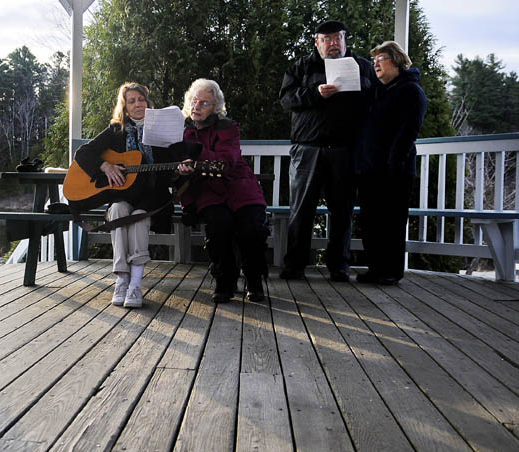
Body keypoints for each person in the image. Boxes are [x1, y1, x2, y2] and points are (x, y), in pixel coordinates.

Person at [278, 20, 378, 281]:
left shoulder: (362, 66)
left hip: (345, 150)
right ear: (317, 42)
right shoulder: (302, 66)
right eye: (327, 39)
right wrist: (315, 93)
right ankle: (295, 266)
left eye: (338, 38)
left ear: (345, 40)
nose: (333, 44)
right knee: (301, 211)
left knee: (342, 211)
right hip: (307, 149)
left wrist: (360, 88)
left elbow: (375, 98)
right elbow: (287, 99)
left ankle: (339, 267)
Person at [72, 82, 175, 308]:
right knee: (117, 210)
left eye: (141, 99)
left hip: (153, 198)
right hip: (125, 195)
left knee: (138, 217)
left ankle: (136, 285)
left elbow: (172, 169)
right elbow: (83, 152)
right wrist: (105, 166)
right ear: (125, 107)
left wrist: (180, 167)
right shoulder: (116, 131)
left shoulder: (160, 130)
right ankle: (121, 279)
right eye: (132, 101)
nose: (138, 104)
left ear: (148, 103)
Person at [176, 79, 269, 303]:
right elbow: (173, 164)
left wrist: (196, 156)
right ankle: (224, 282)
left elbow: (227, 160)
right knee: (218, 225)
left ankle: (254, 280)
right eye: (194, 101)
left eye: (204, 103)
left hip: (239, 186)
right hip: (207, 189)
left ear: (215, 107)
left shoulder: (228, 127)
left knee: (252, 226)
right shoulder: (181, 130)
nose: (197, 106)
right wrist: (183, 170)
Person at [355, 41, 427, 285]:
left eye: (381, 58)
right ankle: (375, 269)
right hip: (369, 168)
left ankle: (391, 272)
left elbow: (408, 131)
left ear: (396, 60)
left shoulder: (410, 91)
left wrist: (392, 163)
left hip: (394, 170)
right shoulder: (376, 90)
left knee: (392, 222)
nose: (375, 63)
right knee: (370, 221)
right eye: (374, 59)